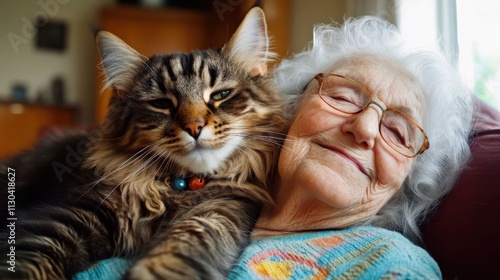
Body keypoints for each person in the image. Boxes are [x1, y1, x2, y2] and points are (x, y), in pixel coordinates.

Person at [75, 16, 473, 279]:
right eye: (345, 97)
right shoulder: (162, 197)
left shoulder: (395, 263)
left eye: (399, 131)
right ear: (289, 110)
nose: (364, 127)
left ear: (410, 177)